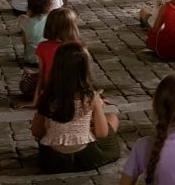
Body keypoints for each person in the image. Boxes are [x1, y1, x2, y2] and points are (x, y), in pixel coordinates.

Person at [32, 43, 120, 173]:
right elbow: (101, 134)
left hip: (52, 159)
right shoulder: (90, 97)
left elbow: (37, 131)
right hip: (86, 156)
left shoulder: (47, 96)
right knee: (112, 118)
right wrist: (98, 107)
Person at [28, 7, 82, 107]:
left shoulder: (43, 46)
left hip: (52, 90)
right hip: (73, 90)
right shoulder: (78, 46)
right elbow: (82, 73)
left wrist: (34, 101)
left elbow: (41, 74)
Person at [20, 0, 52, 68]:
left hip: (32, 59)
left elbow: (24, 41)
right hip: (48, 58)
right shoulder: (52, 19)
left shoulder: (25, 22)